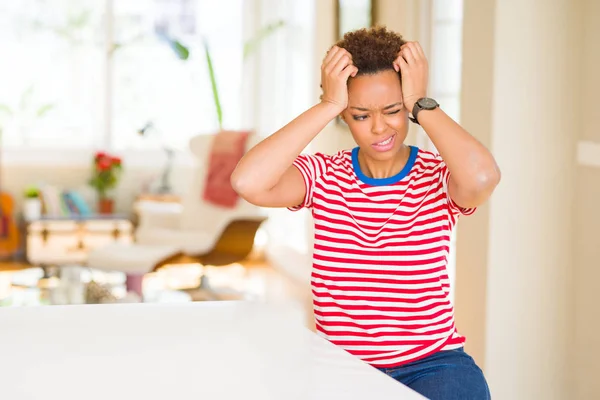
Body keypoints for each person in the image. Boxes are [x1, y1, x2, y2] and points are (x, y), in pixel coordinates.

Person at [231, 26, 499, 400]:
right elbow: (248, 182)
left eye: (393, 110)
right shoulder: (323, 175)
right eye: (359, 115)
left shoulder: (437, 176)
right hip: (341, 365)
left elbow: (483, 176)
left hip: (433, 363)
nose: (379, 127)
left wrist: (422, 102)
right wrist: (327, 104)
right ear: (345, 116)